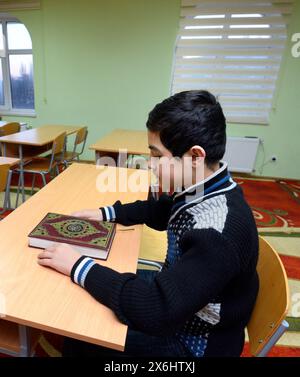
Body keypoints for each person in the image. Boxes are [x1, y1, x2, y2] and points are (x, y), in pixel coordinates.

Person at [37, 90, 259, 357]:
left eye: (156, 156)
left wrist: (77, 265)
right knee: (93, 293)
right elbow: (163, 210)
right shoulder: (207, 184)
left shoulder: (216, 233)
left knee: (83, 336)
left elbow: (157, 310)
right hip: (181, 298)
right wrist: (108, 213)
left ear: (195, 156)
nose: (150, 165)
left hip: (194, 344)